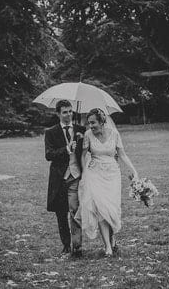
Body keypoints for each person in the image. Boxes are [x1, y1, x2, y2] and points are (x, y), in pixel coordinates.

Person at [76, 108, 138, 257]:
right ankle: (108, 247)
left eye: (93, 122)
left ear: (102, 121)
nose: (91, 126)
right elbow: (83, 156)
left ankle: (113, 240)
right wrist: (84, 173)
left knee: (111, 209)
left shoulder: (114, 134)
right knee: (100, 208)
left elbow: (122, 154)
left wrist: (133, 170)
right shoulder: (88, 135)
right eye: (89, 123)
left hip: (112, 175)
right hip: (95, 173)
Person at [44, 99, 86, 257]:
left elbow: (87, 151)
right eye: (64, 112)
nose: (68, 115)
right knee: (61, 213)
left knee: (75, 211)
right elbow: (49, 155)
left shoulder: (80, 129)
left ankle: (77, 246)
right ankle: (66, 245)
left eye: (70, 111)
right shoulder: (51, 132)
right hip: (59, 178)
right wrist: (66, 149)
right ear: (58, 114)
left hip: (76, 176)